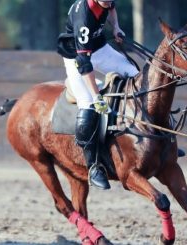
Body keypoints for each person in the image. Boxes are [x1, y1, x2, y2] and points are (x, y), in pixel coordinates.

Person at [57, 0, 139, 190]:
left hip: (100, 48)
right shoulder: (83, 17)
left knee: (135, 75)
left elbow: (111, 8)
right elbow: (84, 63)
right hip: (76, 57)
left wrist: (116, 27)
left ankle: (157, 136)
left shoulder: (106, 1)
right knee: (88, 103)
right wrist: (97, 96)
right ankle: (93, 166)